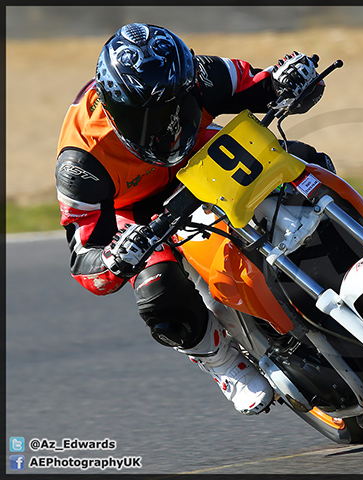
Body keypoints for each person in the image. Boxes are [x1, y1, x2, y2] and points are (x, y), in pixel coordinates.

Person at [55, 23, 334, 415]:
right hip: (136, 210)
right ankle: (221, 361)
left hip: (203, 157)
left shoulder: (202, 72)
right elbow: (84, 257)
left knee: (305, 160)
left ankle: (348, 244)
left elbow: (266, 85)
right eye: (145, 118)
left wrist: (294, 78)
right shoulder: (81, 161)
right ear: (112, 108)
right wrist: (113, 259)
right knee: (158, 291)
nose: (164, 127)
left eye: (175, 105)